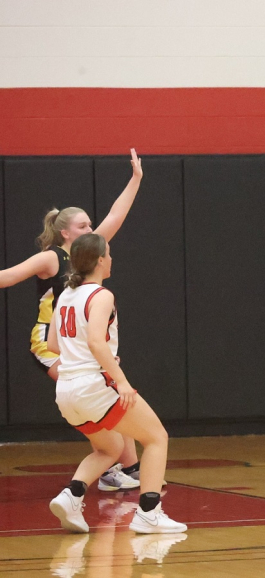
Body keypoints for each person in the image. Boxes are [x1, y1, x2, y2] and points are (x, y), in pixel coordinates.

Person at [0, 149, 146, 491]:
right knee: (106, 390)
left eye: (91, 226)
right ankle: (121, 466)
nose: (91, 229)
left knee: (107, 390)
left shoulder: (89, 252)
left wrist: (136, 178)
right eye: (83, 226)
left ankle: (121, 466)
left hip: (76, 339)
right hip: (50, 342)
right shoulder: (51, 259)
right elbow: (5, 277)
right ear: (66, 233)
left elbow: (116, 214)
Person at [47, 233, 186, 533]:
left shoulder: (65, 296)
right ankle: (149, 512)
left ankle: (72, 495)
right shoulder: (101, 295)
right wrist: (121, 381)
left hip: (66, 391)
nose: (111, 259)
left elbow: (53, 344)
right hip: (94, 386)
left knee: (109, 449)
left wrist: (94, 355)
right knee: (156, 437)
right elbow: (97, 342)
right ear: (99, 260)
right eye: (108, 254)